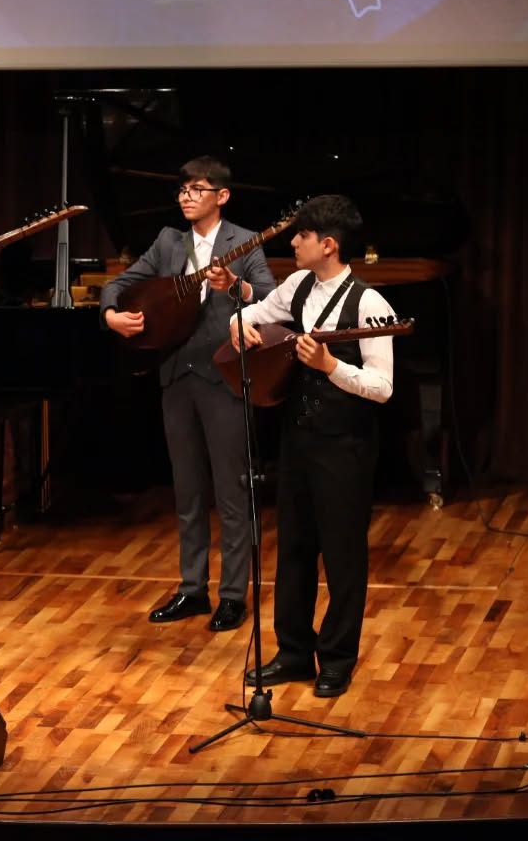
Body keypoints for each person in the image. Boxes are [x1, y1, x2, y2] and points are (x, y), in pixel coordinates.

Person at [100, 156, 277, 633]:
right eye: (182, 190)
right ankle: (192, 588)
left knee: (232, 491)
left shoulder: (245, 242)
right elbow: (120, 283)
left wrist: (236, 287)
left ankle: (233, 595)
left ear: (222, 196)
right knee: (188, 490)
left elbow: (271, 298)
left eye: (197, 189)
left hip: (224, 378)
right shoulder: (167, 242)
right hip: (177, 377)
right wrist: (111, 315)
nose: (186, 197)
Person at [228, 193, 395, 698]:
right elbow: (249, 313)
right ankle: (294, 652)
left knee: (343, 555)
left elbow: (383, 386)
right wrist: (240, 327)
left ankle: (337, 658)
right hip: (297, 439)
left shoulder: (369, 303)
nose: (293, 242)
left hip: (345, 445)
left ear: (328, 245)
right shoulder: (297, 285)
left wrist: (331, 366)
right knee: (295, 549)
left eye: (301, 235)